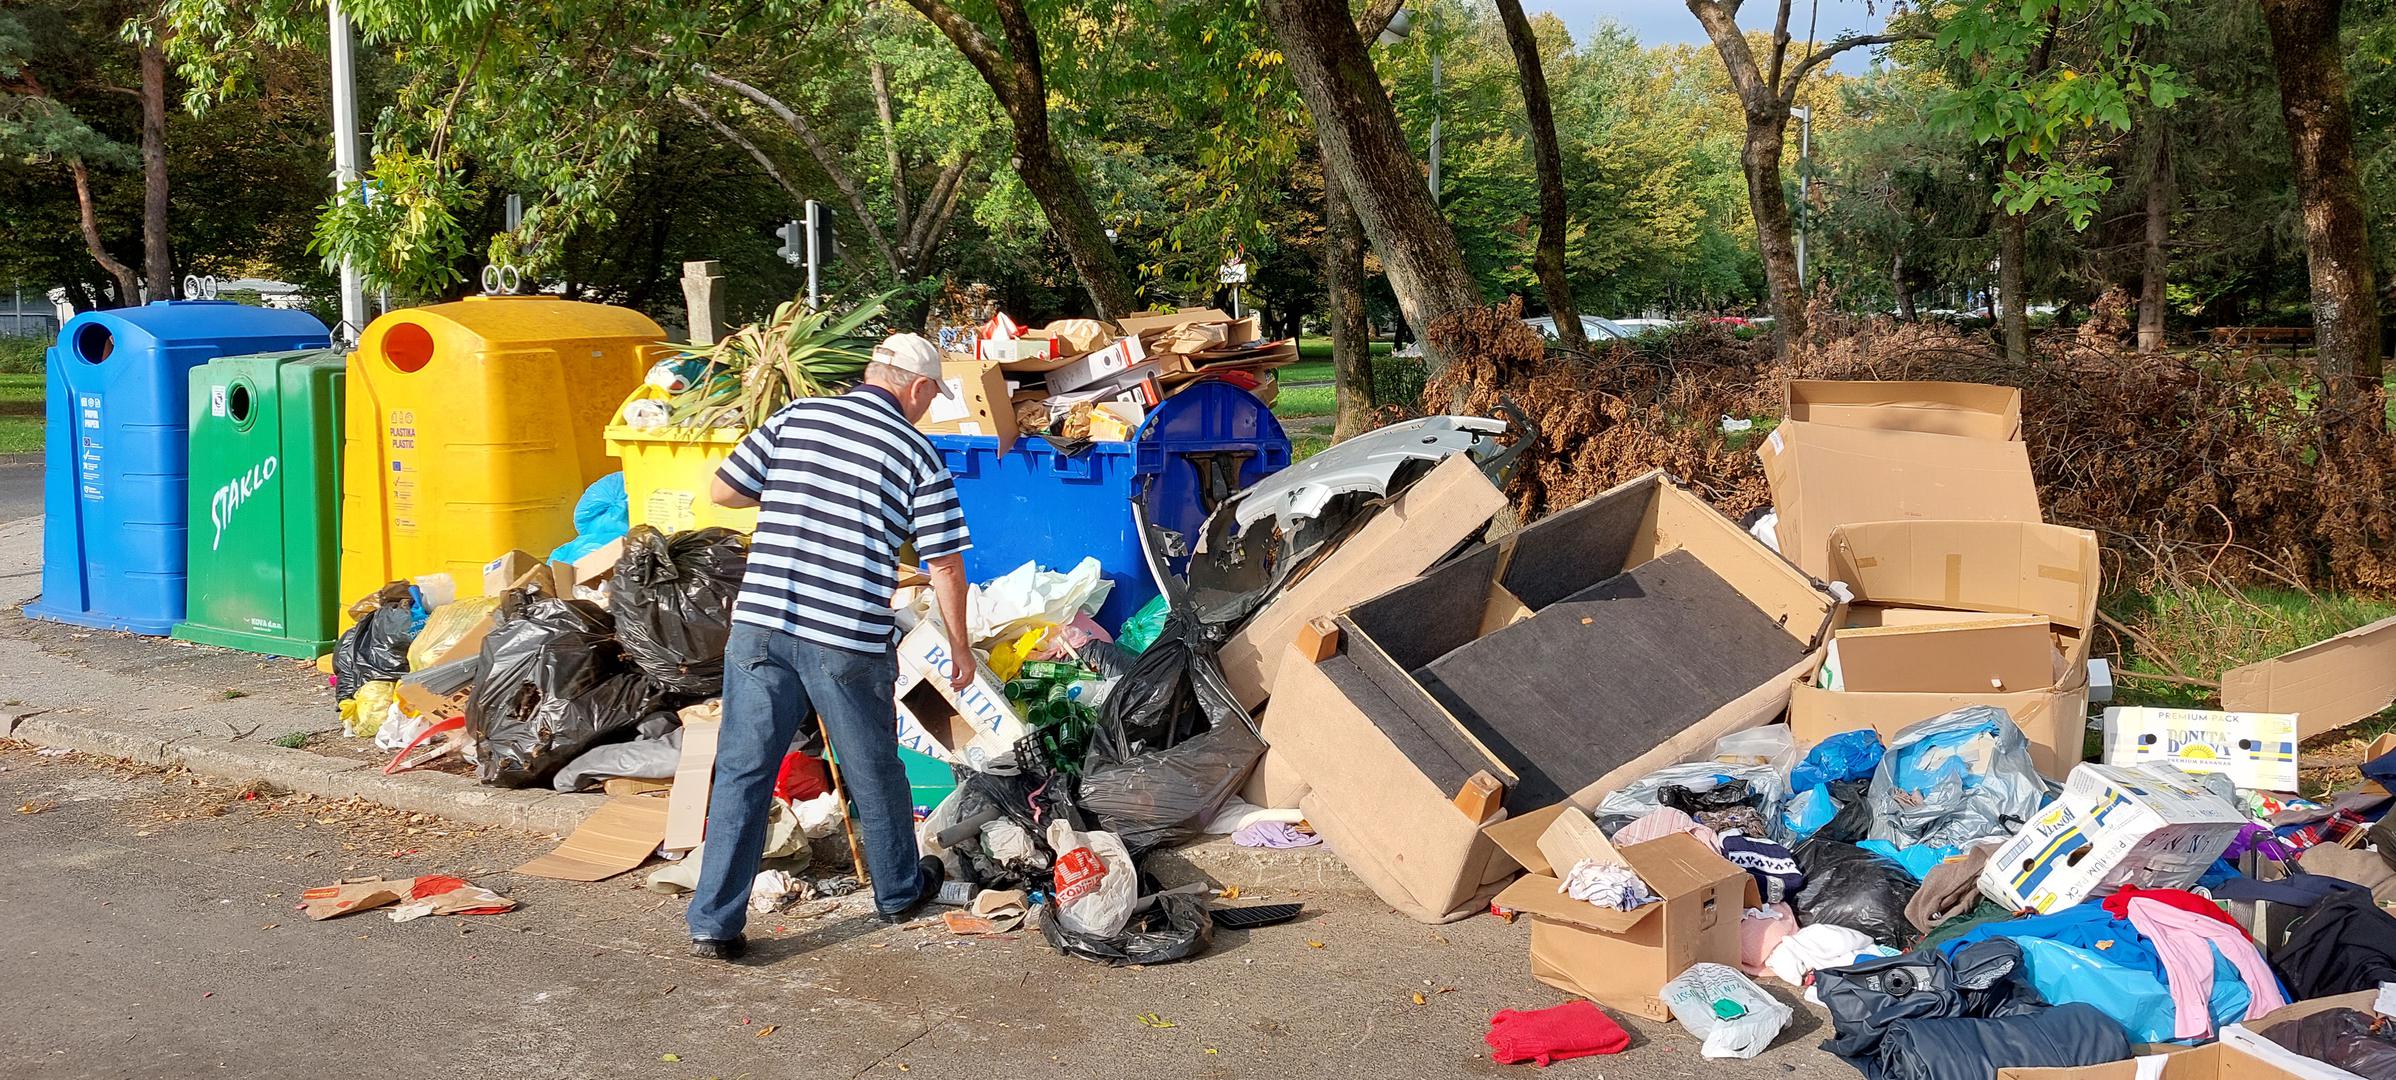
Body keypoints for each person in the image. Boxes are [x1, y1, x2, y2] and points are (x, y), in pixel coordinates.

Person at [685, 332, 977, 961]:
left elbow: (724, 491)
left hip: (761, 625)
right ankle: (899, 891)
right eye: (930, 397)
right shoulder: (916, 454)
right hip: (844, 636)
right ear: (918, 387)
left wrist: (801, 493)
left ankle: (713, 920)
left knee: (743, 771)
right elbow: (945, 566)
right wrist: (961, 647)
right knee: (871, 768)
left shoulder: (796, 416)